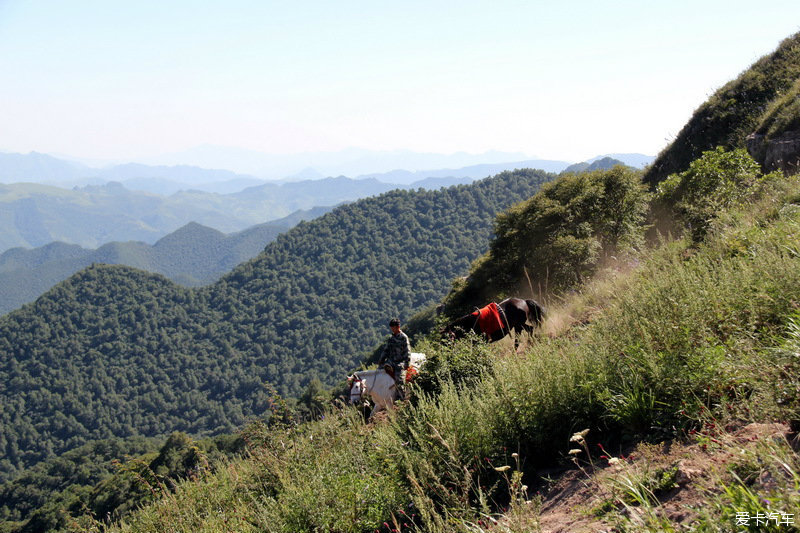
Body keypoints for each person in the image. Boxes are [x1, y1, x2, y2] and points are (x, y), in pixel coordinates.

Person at [378, 318, 411, 398]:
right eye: (391, 328)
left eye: (394, 328)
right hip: (391, 361)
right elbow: (386, 350)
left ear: (398, 327)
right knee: (379, 372)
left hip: (400, 362)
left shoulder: (403, 337)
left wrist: (407, 363)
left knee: (399, 379)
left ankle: (401, 397)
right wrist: (381, 359)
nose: (392, 330)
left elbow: (407, 351)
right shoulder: (391, 338)